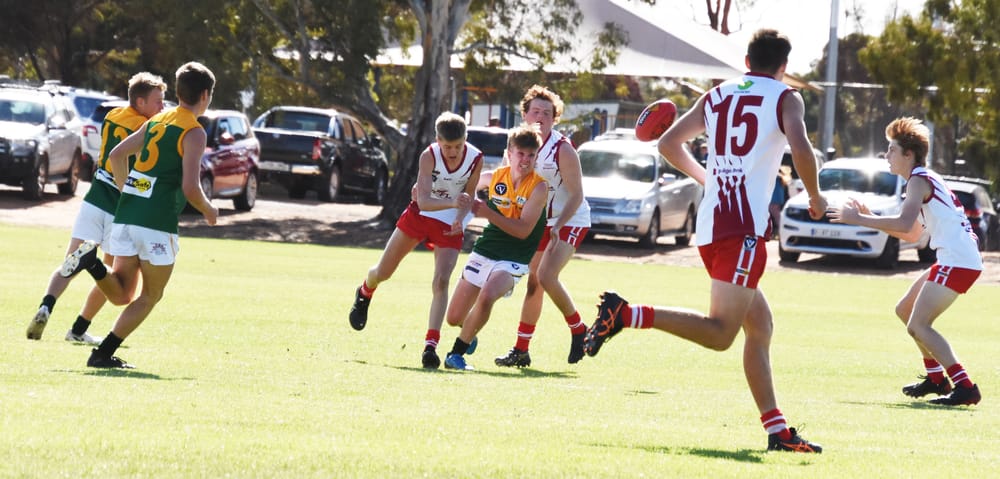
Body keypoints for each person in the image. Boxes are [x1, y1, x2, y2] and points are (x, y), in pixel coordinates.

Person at [583, 29, 827, 453]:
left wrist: (707, 178)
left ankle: (777, 431)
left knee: (761, 326)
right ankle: (626, 314)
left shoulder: (718, 94)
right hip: (742, 229)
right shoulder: (787, 97)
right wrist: (816, 196)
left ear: (747, 60)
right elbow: (801, 146)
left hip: (713, 223)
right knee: (720, 335)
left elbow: (667, 143)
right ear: (783, 67)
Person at [60, 61, 218, 369]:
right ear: (204, 95)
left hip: (127, 215)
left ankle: (91, 263)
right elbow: (189, 187)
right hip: (156, 223)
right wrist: (209, 210)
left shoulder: (159, 120)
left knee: (121, 294)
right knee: (151, 295)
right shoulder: (194, 131)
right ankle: (102, 353)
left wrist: (128, 191)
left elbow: (117, 154)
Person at [828, 117, 983, 406]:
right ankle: (936, 379)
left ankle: (965, 387)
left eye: (891, 150)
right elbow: (911, 233)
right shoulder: (922, 179)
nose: (886, 156)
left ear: (908, 155)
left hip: (958, 260)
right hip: (957, 258)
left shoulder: (918, 180)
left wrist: (859, 218)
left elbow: (903, 222)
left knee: (919, 325)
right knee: (905, 310)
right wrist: (871, 218)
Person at [26, 72, 167, 344]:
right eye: (158, 101)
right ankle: (78, 328)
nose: (162, 107)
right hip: (119, 210)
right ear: (140, 101)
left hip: (93, 200)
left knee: (69, 261)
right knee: (113, 278)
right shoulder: (145, 128)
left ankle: (47, 305)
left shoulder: (113, 115)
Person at [348, 112, 481, 369]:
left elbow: (469, 195)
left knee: (441, 281)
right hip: (420, 215)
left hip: (450, 222)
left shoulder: (475, 157)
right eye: (447, 146)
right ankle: (365, 291)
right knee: (383, 272)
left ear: (466, 140)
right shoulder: (429, 156)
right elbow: (424, 201)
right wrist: (454, 202)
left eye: (458, 146)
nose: (453, 152)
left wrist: (460, 215)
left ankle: (430, 346)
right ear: (437, 141)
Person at [494, 85, 591, 369]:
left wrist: (558, 225)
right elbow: (505, 187)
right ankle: (521, 350)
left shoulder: (562, 149)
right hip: (539, 222)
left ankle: (578, 328)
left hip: (570, 219)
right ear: (524, 114)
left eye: (547, 113)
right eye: (535, 111)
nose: (540, 117)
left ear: (555, 119)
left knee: (546, 276)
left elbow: (577, 196)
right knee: (534, 281)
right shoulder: (516, 146)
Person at [442, 124, 547, 371]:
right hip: (486, 249)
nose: (525, 160)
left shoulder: (539, 187)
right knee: (454, 318)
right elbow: (456, 185)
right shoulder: (493, 178)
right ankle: (469, 332)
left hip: (515, 257)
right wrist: (426, 191)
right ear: (509, 153)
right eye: (521, 153)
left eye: (531, 155)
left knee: (488, 294)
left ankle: (455, 355)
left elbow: (523, 231)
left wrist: (488, 212)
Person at [768, 167, 791, 239]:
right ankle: (778, 233)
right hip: (777, 200)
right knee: (776, 217)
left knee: (777, 218)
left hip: (774, 200)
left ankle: (783, 233)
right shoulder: (782, 178)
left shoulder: (777, 177)